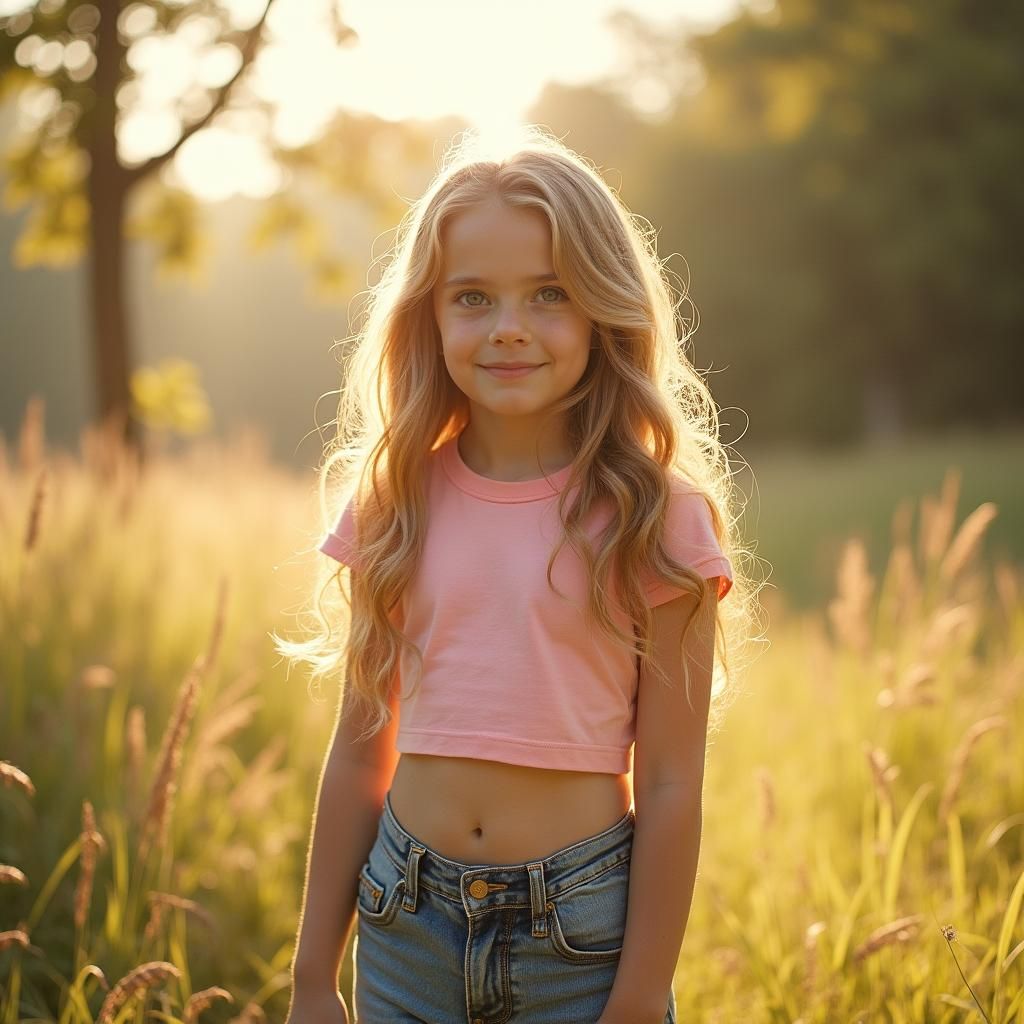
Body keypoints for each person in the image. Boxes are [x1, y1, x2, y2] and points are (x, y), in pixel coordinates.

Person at [277, 126, 757, 1024]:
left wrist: (638, 998)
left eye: (549, 293)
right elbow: (359, 750)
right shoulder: (395, 503)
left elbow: (669, 784)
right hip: (403, 921)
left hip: (579, 940)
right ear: (429, 317)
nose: (508, 327)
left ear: (603, 308)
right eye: (473, 297)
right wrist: (312, 977)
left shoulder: (657, 518)